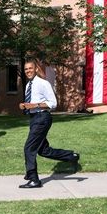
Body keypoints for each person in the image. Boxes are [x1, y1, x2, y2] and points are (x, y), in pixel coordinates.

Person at [18, 59, 79, 188]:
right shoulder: (28, 85)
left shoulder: (43, 83)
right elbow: (32, 102)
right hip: (34, 118)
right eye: (26, 69)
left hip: (42, 118)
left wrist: (34, 105)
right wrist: (25, 106)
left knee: (29, 148)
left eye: (30, 68)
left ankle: (34, 179)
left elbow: (53, 103)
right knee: (43, 150)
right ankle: (71, 156)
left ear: (36, 69)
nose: (28, 71)